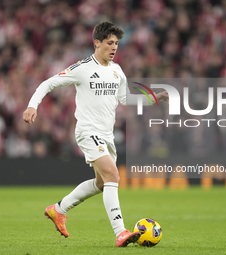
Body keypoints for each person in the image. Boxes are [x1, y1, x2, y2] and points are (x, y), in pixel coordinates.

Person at [23, 21, 168, 247]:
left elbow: (126, 99)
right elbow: (48, 83)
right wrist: (33, 106)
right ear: (97, 43)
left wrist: (154, 97)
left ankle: (58, 210)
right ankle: (121, 232)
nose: (114, 48)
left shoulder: (116, 70)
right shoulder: (82, 68)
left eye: (117, 44)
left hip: (106, 136)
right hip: (87, 131)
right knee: (113, 176)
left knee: (102, 183)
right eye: (110, 43)